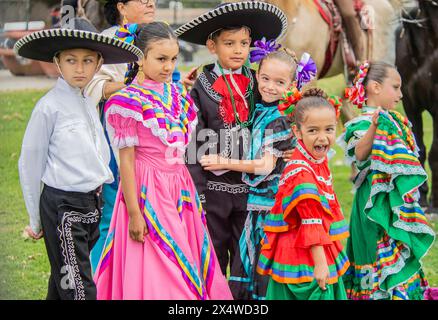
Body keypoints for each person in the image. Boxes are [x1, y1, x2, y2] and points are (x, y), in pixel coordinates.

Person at [93, 22, 233, 300]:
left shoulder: (177, 95)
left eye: (172, 59)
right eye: (160, 59)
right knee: (162, 259)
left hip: (179, 186)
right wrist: (134, 212)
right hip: (147, 188)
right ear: (139, 58)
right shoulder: (128, 102)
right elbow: (127, 162)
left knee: (188, 252)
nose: (168, 67)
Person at [16, 18, 143, 300]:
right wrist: (36, 221)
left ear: (99, 64)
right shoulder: (48, 108)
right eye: (71, 60)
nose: (80, 68)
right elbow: (29, 164)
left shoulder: (89, 101)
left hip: (91, 204)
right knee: (80, 287)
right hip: (63, 207)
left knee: (63, 281)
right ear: (57, 63)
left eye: (87, 61)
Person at [175, 0, 288, 276]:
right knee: (212, 252)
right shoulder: (201, 86)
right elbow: (193, 140)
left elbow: (277, 120)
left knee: (247, 254)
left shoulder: (260, 82)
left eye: (244, 43)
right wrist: (198, 192)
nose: (238, 50)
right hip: (214, 189)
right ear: (212, 46)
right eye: (229, 43)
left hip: (252, 189)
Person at [199, 40, 317, 299]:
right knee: (249, 261)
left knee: (259, 262)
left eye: (279, 82)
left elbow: (265, 165)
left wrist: (223, 161)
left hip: (269, 203)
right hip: (256, 201)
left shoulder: (279, 119)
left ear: (292, 86)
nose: (270, 87)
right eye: (264, 78)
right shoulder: (262, 107)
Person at [340, 61, 435, 300]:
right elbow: (360, 154)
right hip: (372, 209)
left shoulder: (396, 122)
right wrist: (375, 127)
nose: (401, 94)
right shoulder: (359, 125)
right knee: (375, 260)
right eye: (396, 87)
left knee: (399, 252)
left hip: (396, 207)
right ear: (375, 87)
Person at [257, 87, 350, 300]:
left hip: (313, 243)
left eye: (329, 129)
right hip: (303, 252)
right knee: (315, 288)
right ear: (297, 132)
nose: (323, 137)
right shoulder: (302, 173)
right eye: (313, 130)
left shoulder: (315, 159)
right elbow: (311, 220)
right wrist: (320, 265)